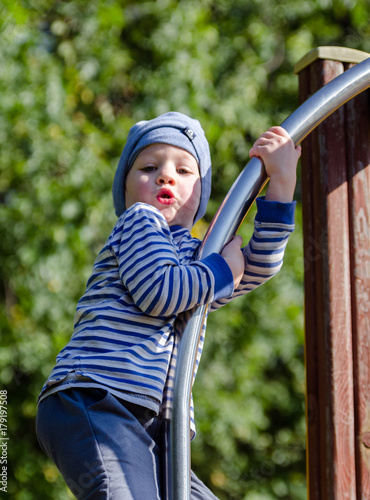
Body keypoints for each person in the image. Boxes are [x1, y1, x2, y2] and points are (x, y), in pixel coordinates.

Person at [36, 111, 301, 499]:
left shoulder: (197, 259)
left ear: (201, 195)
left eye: (184, 170)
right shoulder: (138, 223)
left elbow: (256, 267)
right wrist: (222, 270)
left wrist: (281, 184)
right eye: (148, 167)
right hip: (97, 400)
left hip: (156, 428)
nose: (165, 176)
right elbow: (159, 291)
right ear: (125, 190)